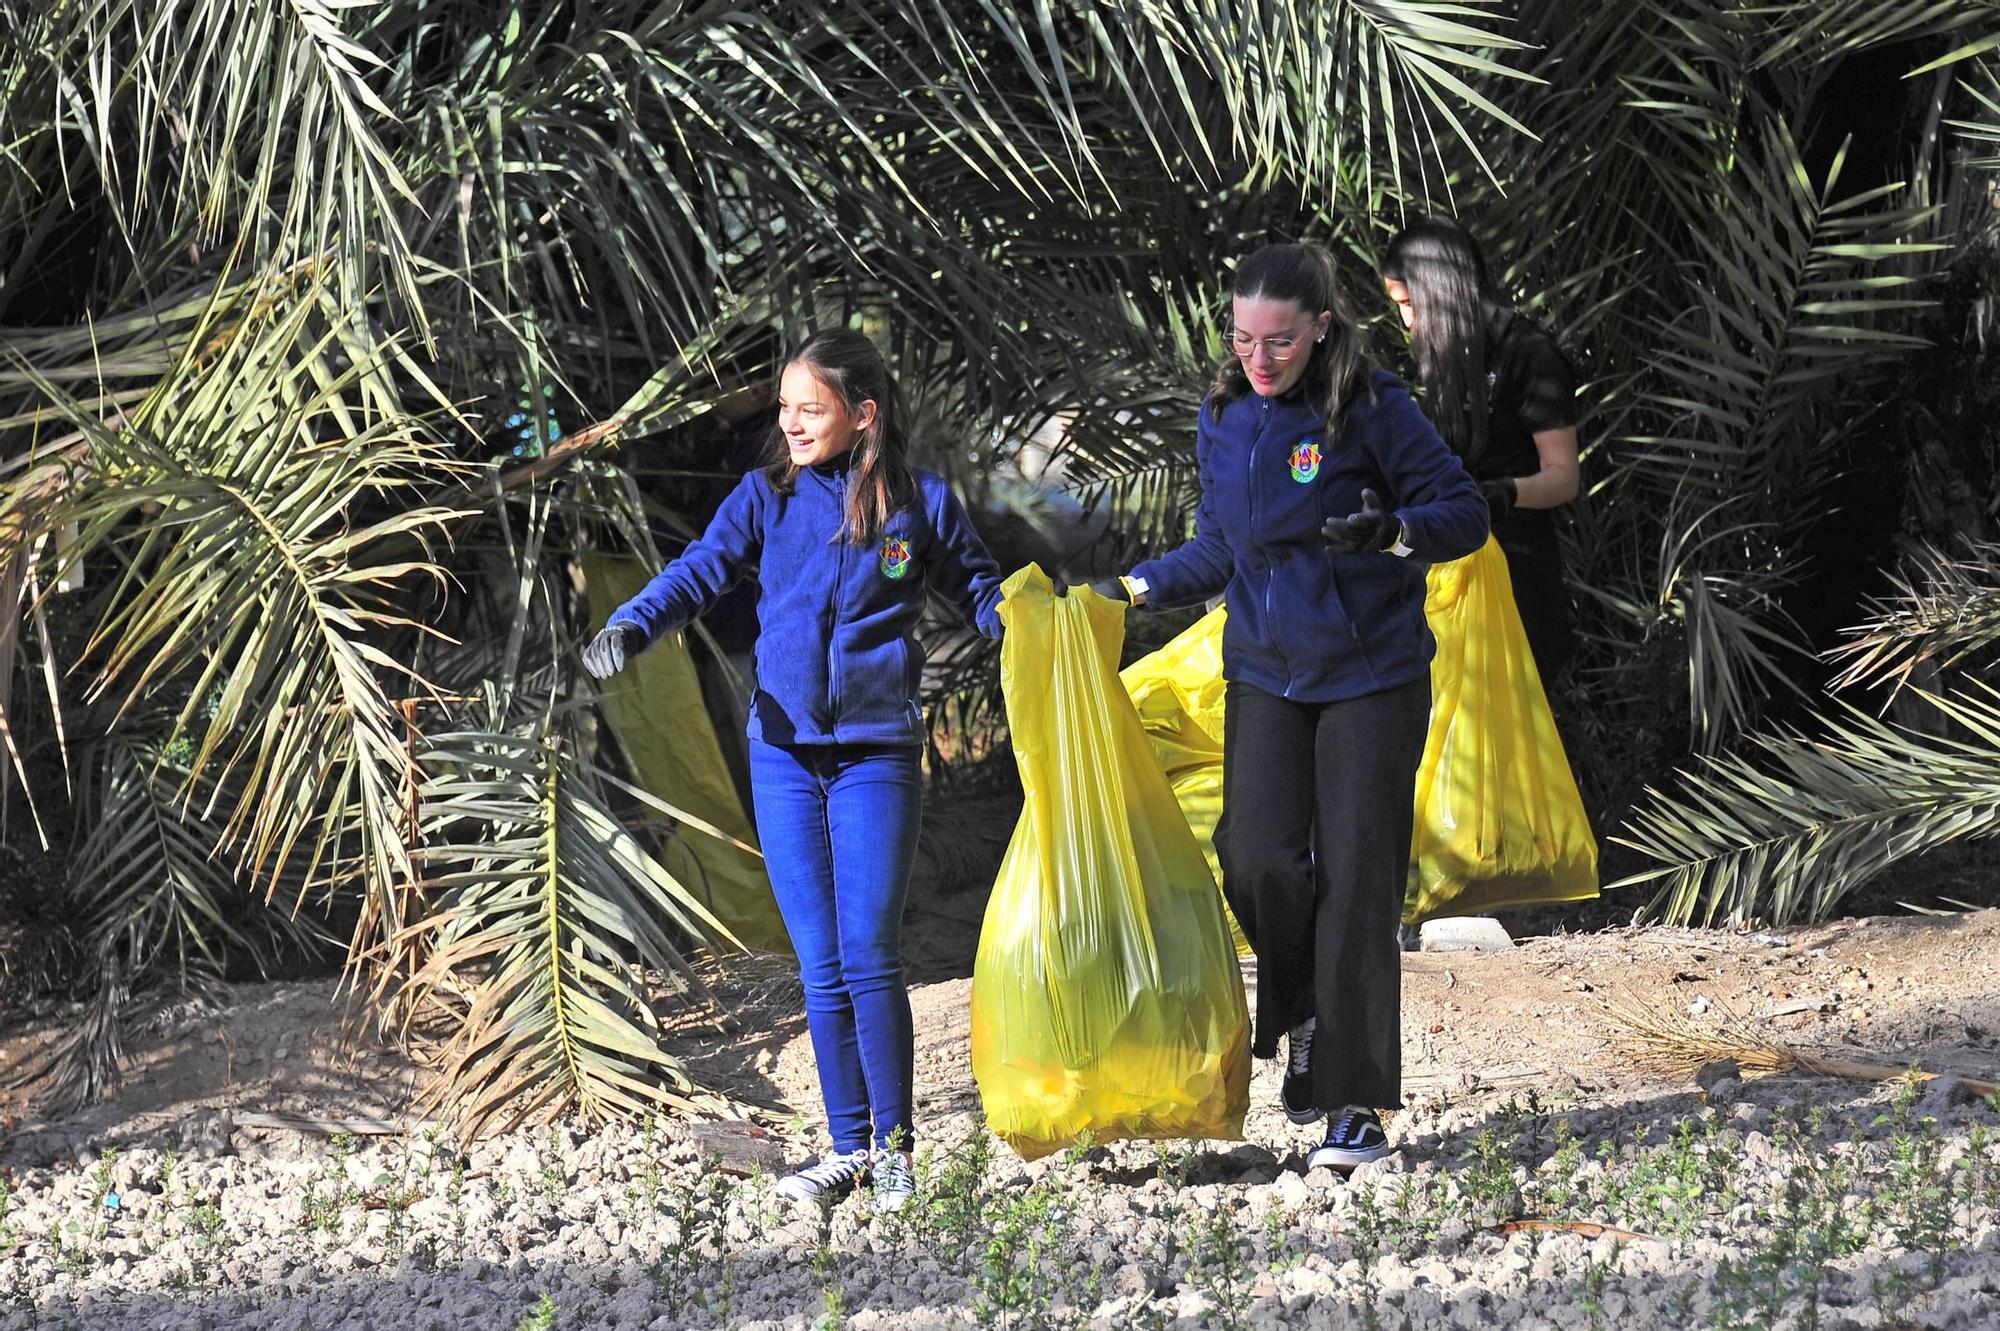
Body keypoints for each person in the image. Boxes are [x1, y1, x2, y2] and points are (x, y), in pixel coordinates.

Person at [1076, 243, 1488, 1172]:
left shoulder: (1375, 408)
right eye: (1244, 339)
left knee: (1356, 879)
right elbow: (1215, 550)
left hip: (1371, 674)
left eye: (1282, 342)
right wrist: (1131, 587)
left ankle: (1352, 1103)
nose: (1261, 359)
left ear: (1323, 330)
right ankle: (1301, 1008)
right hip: (1264, 669)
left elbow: (1464, 511)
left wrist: (1394, 531)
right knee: (1254, 856)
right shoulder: (1223, 418)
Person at [583, 329, 1006, 1213]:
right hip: (780, 755)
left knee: (867, 952)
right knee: (819, 960)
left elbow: (983, 590)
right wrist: (632, 622)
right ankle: (847, 1148)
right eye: (784, 408)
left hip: (876, 757)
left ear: (864, 414)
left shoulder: (919, 502)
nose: (792, 423)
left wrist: (1036, 625)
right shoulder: (766, 494)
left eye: (810, 409)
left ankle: (894, 1153)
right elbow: (698, 573)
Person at [1380, 214, 1582, 682]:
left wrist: (1500, 493)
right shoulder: (1448, 353)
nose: (1406, 320)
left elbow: (1563, 476)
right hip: (1453, 565)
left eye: (1410, 303)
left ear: (1440, 291)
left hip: (1518, 568)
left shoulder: (1530, 353)